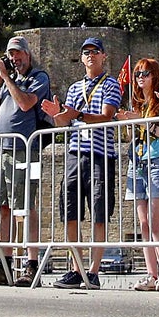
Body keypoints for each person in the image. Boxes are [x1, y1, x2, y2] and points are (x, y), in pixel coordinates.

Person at [41, 37, 121, 291]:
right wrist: (58, 116)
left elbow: (106, 116)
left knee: (99, 212)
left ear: (103, 56)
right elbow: (63, 123)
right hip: (75, 153)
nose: (90, 56)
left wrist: (76, 115)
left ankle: (94, 271)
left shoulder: (111, 84)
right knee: (70, 211)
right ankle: (77, 268)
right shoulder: (75, 88)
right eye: (86, 52)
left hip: (100, 154)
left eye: (95, 52)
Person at [0, 36, 51, 287]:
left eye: (18, 54)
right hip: (2, 151)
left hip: (24, 149)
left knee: (26, 207)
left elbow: (26, 103)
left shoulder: (38, 77)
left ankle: (31, 265)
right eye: (11, 54)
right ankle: (3, 264)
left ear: (28, 54)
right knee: (2, 208)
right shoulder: (11, 80)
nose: (14, 59)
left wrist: (7, 79)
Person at [122, 58, 159, 292]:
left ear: (155, 75)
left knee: (155, 221)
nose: (140, 77)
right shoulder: (138, 104)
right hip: (138, 161)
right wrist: (129, 123)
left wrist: (143, 123)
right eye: (137, 74)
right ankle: (151, 274)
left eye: (145, 73)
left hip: (156, 160)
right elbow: (130, 138)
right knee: (143, 222)